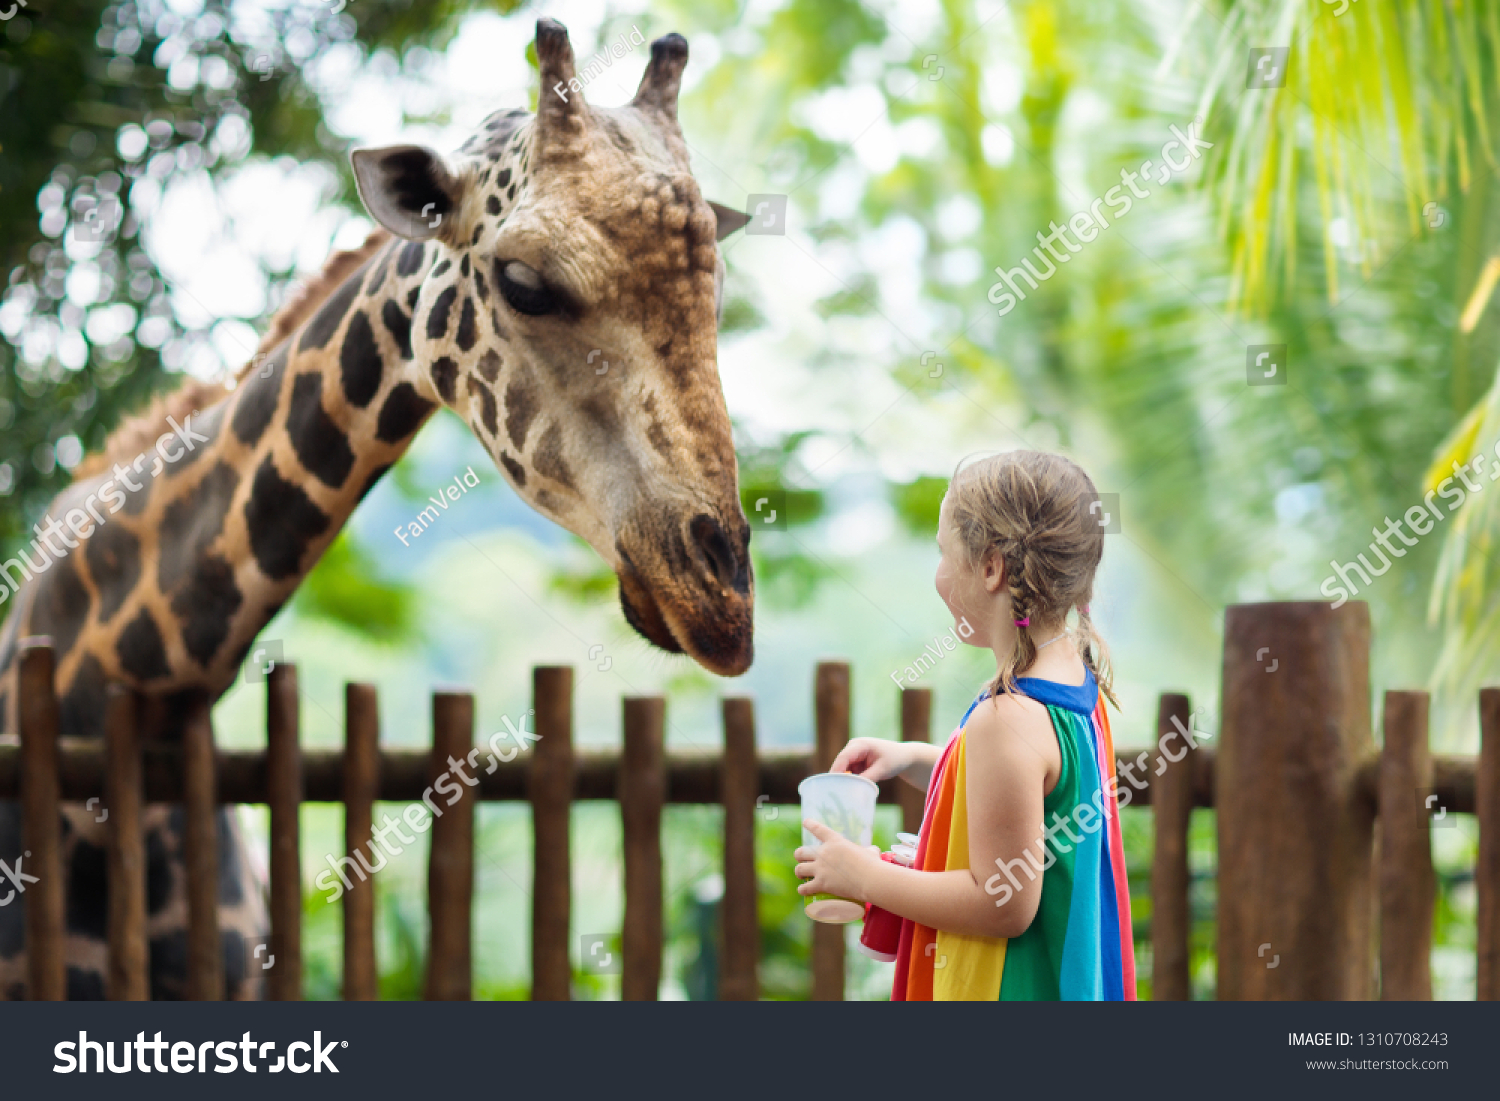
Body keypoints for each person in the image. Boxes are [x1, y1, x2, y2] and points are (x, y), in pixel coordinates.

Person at [793, 450, 1136, 1000]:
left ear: (991, 567)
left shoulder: (1008, 717)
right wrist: (916, 758)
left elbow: (1000, 903)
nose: (937, 574)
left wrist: (864, 876)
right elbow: (1028, 808)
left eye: (942, 552)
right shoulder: (1071, 675)